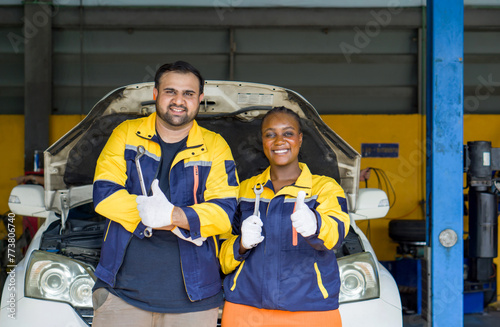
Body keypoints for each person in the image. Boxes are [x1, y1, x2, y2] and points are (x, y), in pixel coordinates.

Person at [92, 61, 239, 327]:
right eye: (170, 91)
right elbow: (104, 194)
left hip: (194, 300)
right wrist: (156, 216)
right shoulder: (126, 134)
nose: (179, 100)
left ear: (200, 99)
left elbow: (224, 212)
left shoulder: (215, 146)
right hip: (121, 293)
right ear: (155, 94)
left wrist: (173, 215)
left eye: (188, 93)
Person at [219, 107, 350, 327]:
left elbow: (337, 235)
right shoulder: (244, 191)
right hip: (245, 309)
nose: (279, 141)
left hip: (311, 310)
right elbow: (221, 256)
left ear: (299, 139)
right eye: (270, 134)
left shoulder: (325, 188)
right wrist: (240, 245)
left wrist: (316, 225)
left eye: (288, 133)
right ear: (263, 141)